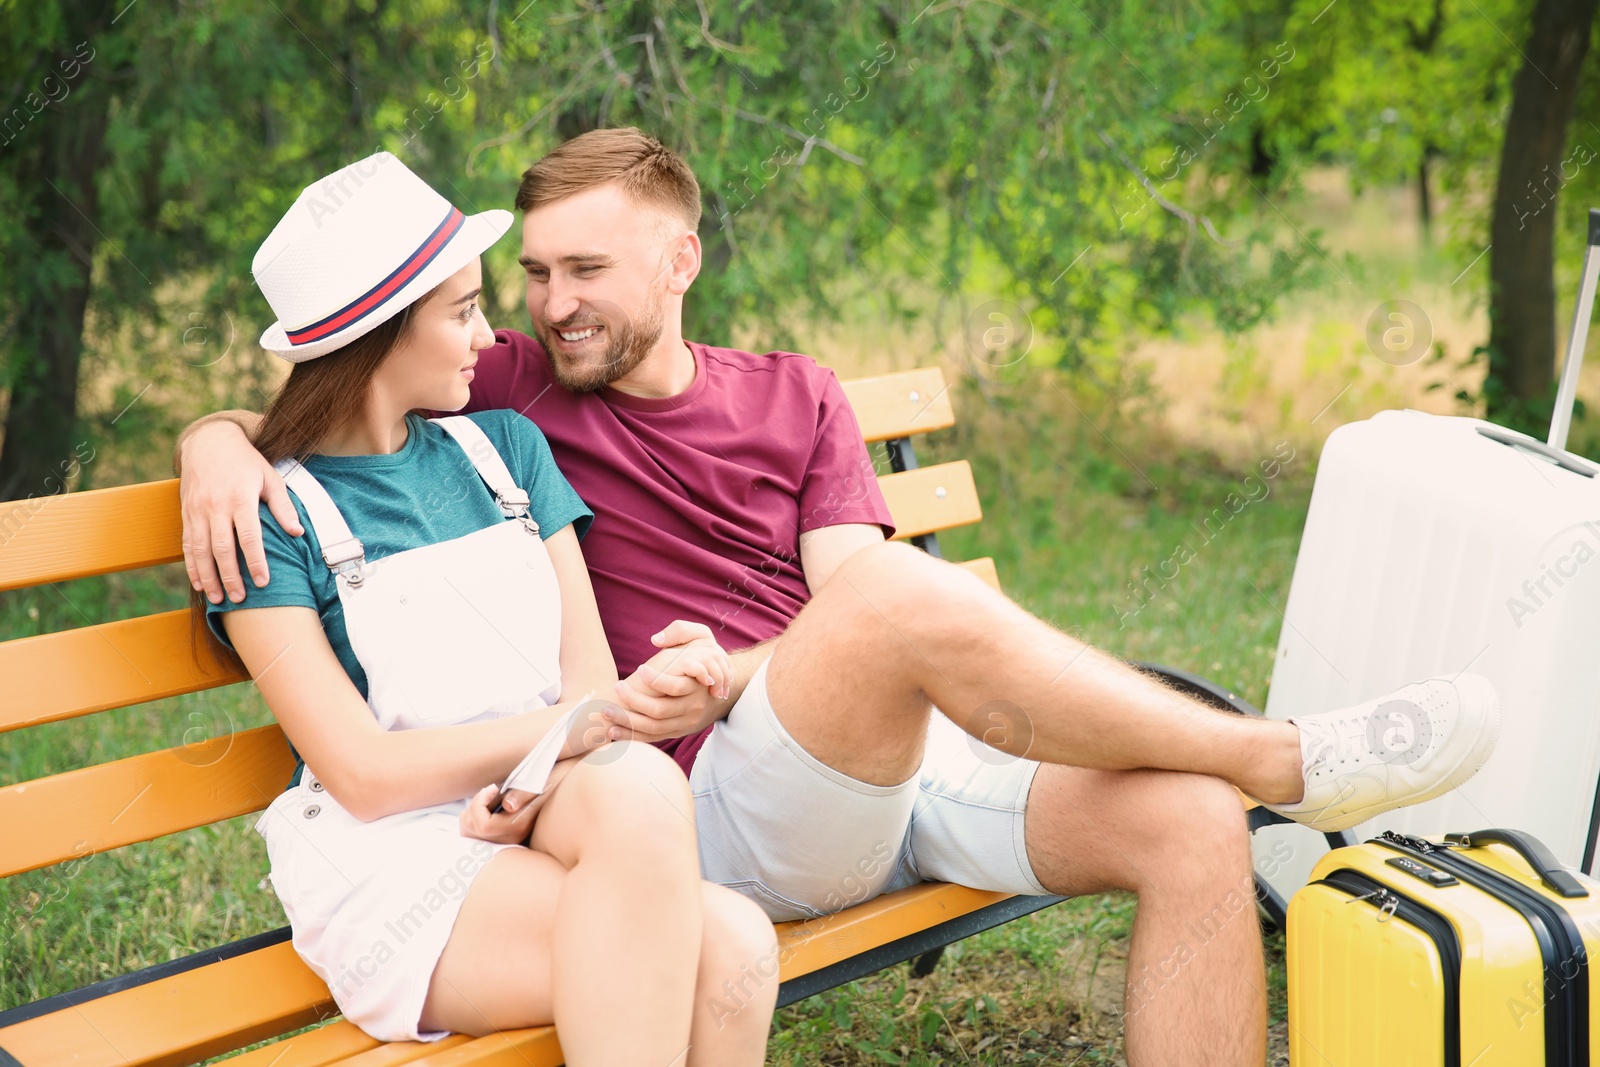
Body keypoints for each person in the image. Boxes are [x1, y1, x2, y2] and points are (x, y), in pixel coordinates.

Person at [179, 129, 1500, 1066]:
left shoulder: (794, 390)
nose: (546, 304)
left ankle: (1241, 772)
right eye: (531, 275)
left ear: (679, 260)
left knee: (1194, 825)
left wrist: (764, 668)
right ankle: (1280, 750)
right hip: (716, 797)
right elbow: (338, 405)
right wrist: (212, 441)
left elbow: (845, 613)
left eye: (584, 270)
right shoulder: (512, 389)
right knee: (885, 603)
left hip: (877, 746)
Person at [197, 150, 776, 1065]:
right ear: (381, 335)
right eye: (464, 312)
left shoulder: (507, 449)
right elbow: (367, 775)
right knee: (724, 950)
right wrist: (572, 730)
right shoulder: (271, 515)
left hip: (540, 795)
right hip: (396, 860)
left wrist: (544, 766)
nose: (490, 337)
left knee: (672, 834)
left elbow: (587, 681)